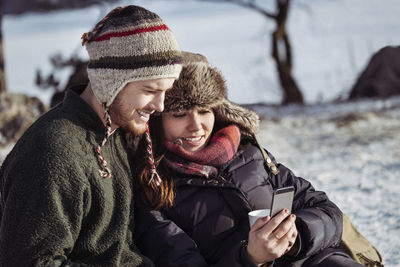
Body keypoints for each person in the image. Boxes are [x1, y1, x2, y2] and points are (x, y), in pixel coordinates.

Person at [132, 52, 364, 267]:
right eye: (180, 114)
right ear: (157, 120)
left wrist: (298, 236)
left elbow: (325, 209)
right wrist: (250, 257)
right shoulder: (152, 188)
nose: (196, 126)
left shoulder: (249, 153)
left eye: (204, 111)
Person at [0, 5, 182, 266]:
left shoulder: (111, 130)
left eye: (166, 90)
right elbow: (31, 261)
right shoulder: (55, 151)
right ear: (110, 82)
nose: (160, 105)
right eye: (150, 89)